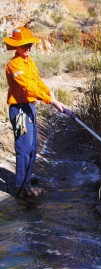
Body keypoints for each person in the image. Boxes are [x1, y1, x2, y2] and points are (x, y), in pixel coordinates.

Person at [3, 26, 65, 198]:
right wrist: (50, 101)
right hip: (20, 110)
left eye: (29, 44)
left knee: (33, 145)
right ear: (16, 46)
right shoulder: (14, 66)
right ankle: (21, 188)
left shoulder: (30, 62)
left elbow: (37, 82)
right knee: (24, 148)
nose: (28, 47)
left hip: (29, 107)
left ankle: (27, 179)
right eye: (24, 45)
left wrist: (49, 92)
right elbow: (28, 88)